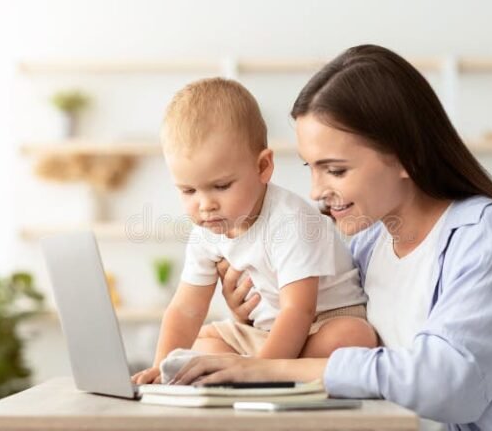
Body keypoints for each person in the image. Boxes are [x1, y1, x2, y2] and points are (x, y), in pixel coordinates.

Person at [168, 46, 492, 430]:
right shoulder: (367, 242)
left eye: (336, 170)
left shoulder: (484, 234)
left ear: (407, 157)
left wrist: (266, 370)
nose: (315, 191)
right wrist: (253, 318)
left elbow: (449, 385)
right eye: (311, 168)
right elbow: (316, 326)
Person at [131, 77, 377, 385]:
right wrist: (160, 366)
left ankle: (262, 376)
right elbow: (185, 308)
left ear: (263, 167)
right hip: (264, 332)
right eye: (188, 190)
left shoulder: (291, 221)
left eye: (221, 186)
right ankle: (253, 372)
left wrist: (259, 372)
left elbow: (298, 310)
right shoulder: (206, 231)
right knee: (203, 344)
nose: (206, 205)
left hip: (320, 323)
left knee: (354, 337)